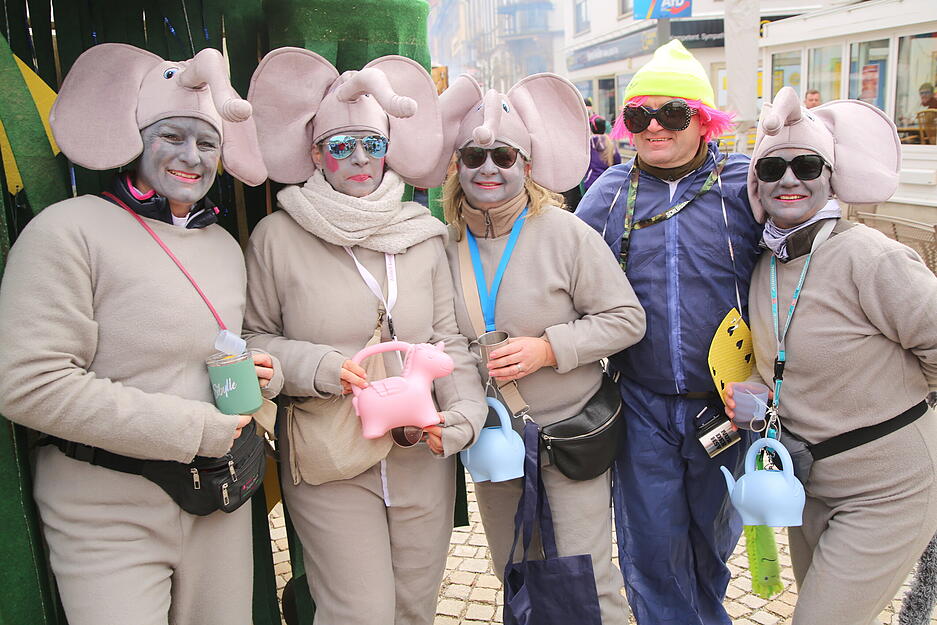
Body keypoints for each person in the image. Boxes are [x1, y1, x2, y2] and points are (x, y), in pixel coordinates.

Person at [0, 43, 280, 625]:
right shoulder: (69, 231)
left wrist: (261, 374)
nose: (191, 156)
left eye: (207, 143)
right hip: (106, 510)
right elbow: (28, 384)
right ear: (137, 136)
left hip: (217, 503)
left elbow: (222, 347)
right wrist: (192, 429)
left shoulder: (224, 246)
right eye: (172, 136)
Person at [243, 48, 487, 625]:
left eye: (372, 144)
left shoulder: (424, 236)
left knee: (413, 608)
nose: (358, 158)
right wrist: (317, 366)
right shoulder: (277, 236)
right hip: (331, 449)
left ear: (387, 151)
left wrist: (466, 412)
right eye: (341, 145)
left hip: (419, 452)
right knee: (360, 612)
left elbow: (448, 339)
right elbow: (252, 337)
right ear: (315, 154)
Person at [429, 73, 646, 625]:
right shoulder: (443, 244)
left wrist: (549, 349)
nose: (489, 169)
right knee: (518, 574)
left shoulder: (565, 233)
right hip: (497, 443)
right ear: (457, 165)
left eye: (504, 156)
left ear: (527, 165)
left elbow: (627, 320)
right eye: (475, 156)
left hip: (569, 435)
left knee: (588, 579)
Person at [725, 85, 937, 625]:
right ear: (756, 185)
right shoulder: (765, 266)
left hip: (887, 488)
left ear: (830, 175)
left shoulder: (871, 256)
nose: (789, 179)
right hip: (807, 482)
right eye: (772, 169)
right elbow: (786, 357)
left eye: (806, 164)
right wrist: (760, 388)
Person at [575, 39, 763, 625]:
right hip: (642, 402)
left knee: (712, 544)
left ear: (704, 121)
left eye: (673, 113)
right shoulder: (607, 194)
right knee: (651, 547)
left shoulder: (744, 187)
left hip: (727, 409)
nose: (655, 127)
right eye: (639, 116)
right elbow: (562, 274)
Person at [583, 114, 622, 191]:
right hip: (609, 182)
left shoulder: (589, 143)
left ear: (591, 128)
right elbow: (618, 164)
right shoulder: (611, 143)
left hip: (592, 182)